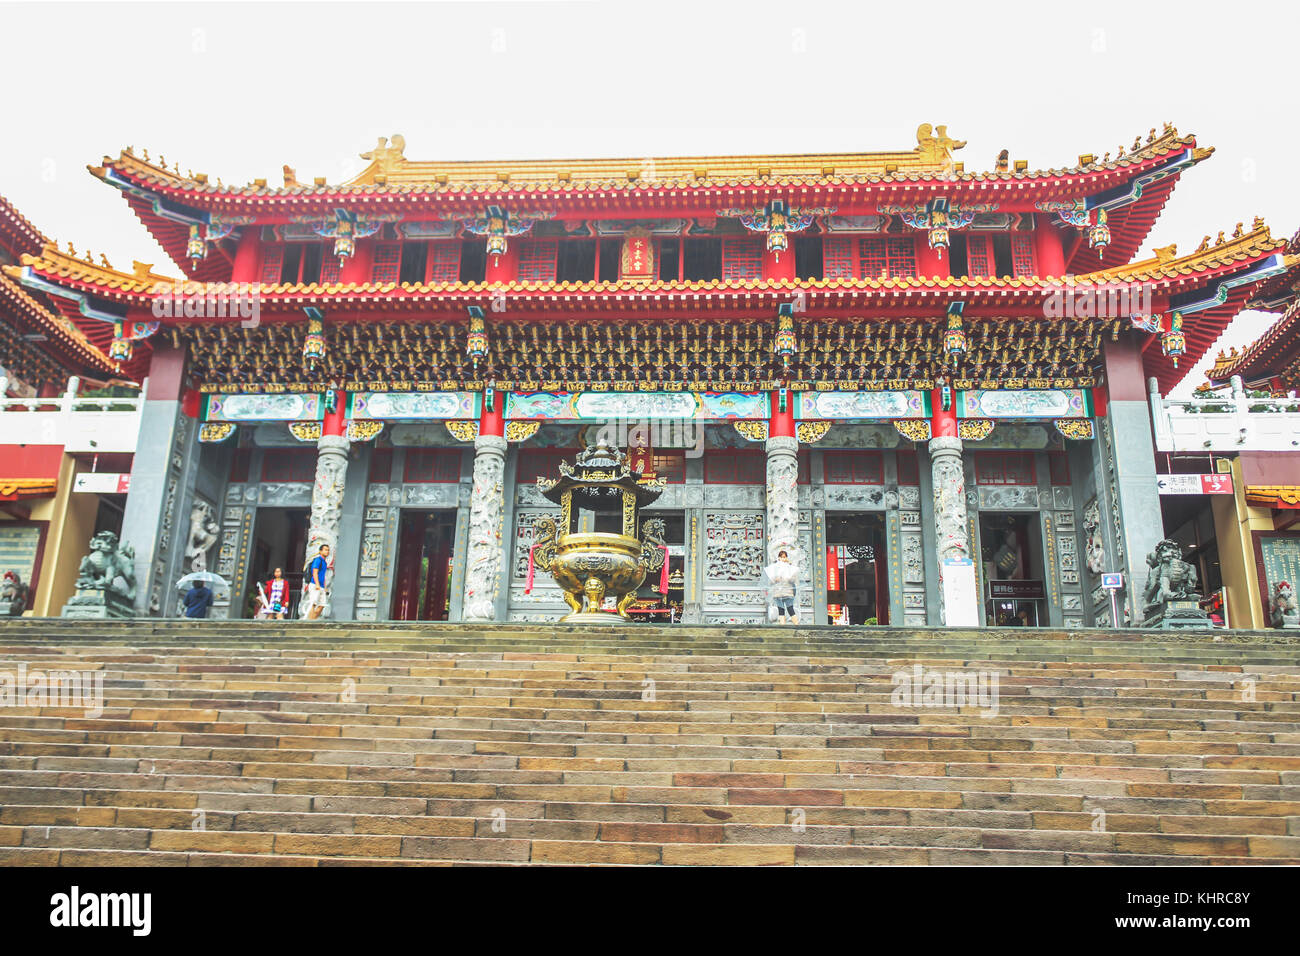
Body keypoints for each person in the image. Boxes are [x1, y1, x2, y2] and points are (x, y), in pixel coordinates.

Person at [763, 549, 800, 626]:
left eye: (785, 557)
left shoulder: (791, 568)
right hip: (778, 592)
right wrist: (775, 579)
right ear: (778, 558)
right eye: (782, 557)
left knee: (790, 608)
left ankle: (797, 624)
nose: (783, 559)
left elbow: (794, 580)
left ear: (787, 558)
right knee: (781, 609)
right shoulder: (774, 568)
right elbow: (770, 581)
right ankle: (782, 625)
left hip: (788, 592)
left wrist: (788, 578)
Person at [302, 544, 331, 620]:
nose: (327, 551)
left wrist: (324, 587)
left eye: (328, 550)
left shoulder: (324, 562)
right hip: (315, 584)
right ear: (320, 551)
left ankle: (312, 619)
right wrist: (317, 585)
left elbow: (323, 575)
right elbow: (315, 573)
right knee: (313, 603)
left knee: (322, 604)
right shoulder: (318, 560)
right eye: (325, 550)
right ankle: (310, 620)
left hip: (321, 586)